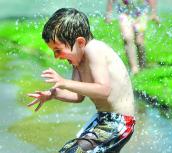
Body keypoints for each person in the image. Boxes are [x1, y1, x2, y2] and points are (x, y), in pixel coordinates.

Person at [27, 8, 135, 153]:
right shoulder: (77, 61)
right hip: (102, 120)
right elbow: (77, 96)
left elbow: (104, 90)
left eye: (58, 50)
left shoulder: (94, 50)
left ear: (80, 42)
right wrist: (53, 93)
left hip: (120, 122)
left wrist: (64, 82)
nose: (56, 56)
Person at [105, 0, 160, 74]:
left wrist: (154, 13)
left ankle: (142, 65)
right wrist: (108, 13)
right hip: (124, 12)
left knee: (139, 42)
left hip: (141, 13)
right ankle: (134, 67)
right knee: (127, 38)